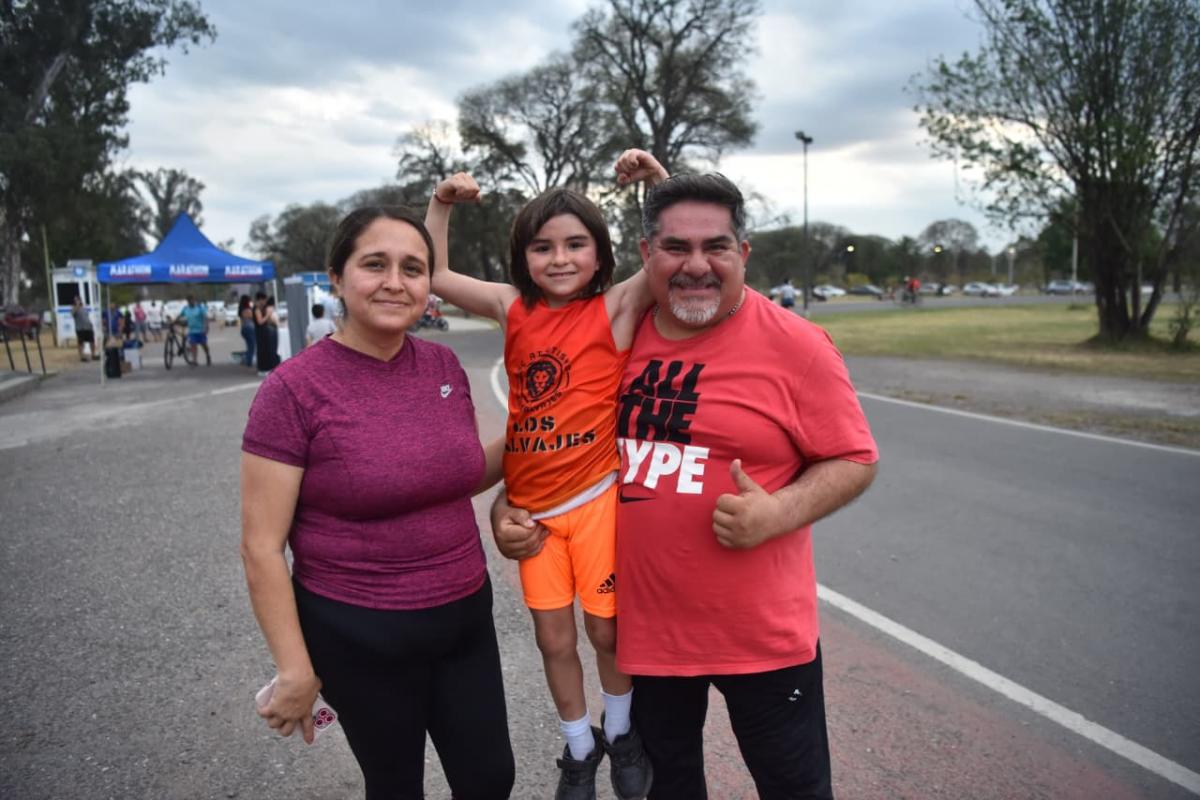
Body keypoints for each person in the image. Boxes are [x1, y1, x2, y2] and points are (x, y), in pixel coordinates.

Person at [494, 173, 879, 799]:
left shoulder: (797, 345)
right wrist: (505, 505)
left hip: (762, 639)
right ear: (647, 256)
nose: (696, 265)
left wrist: (778, 513)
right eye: (675, 248)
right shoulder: (616, 335)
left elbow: (855, 458)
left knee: (796, 789)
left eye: (716, 247)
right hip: (646, 636)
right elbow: (545, 436)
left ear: (743, 254)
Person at [240, 206, 515, 799]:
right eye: (375, 264)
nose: (396, 281)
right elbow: (261, 547)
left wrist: (548, 431)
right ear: (336, 277)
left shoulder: (442, 365)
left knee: (491, 779)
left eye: (413, 268)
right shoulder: (291, 390)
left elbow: (453, 476)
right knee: (395, 787)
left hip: (465, 616)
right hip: (358, 633)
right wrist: (294, 669)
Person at [426, 150, 666, 800]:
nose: (559, 259)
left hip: (597, 502)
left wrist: (656, 180)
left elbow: (669, 254)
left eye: (574, 245)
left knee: (606, 631)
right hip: (532, 516)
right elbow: (438, 272)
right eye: (542, 247)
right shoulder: (512, 307)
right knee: (553, 639)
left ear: (599, 253)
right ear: (522, 256)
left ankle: (621, 733)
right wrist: (442, 202)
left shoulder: (614, 308)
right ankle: (580, 747)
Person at [176, 295, 211, 366]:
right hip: (192, 331)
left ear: (194, 300)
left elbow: (205, 318)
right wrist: (174, 321)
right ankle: (195, 360)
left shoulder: (200, 308)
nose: (190, 302)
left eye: (192, 300)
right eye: (189, 301)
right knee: (193, 345)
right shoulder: (186, 309)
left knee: (204, 345)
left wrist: (206, 327)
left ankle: (207, 355)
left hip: (201, 330)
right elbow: (180, 315)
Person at [254, 295, 280, 375]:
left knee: (266, 350)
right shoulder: (257, 309)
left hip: (264, 332)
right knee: (262, 350)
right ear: (260, 300)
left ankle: (266, 367)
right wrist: (267, 315)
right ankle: (263, 368)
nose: (265, 302)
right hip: (261, 332)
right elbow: (260, 322)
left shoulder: (261, 309)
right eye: (264, 300)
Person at [71, 295, 95, 361]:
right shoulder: (74, 308)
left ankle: (93, 355)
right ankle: (82, 356)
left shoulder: (84, 308)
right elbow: (72, 314)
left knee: (92, 341)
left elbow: (87, 317)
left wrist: (90, 324)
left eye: (78, 299)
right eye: (76, 300)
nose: (77, 301)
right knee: (81, 343)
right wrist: (77, 306)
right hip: (80, 328)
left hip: (88, 327)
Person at [238, 295, 256, 367]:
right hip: (250, 328)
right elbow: (253, 317)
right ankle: (249, 362)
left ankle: (247, 360)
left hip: (244, 328)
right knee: (251, 347)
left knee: (249, 346)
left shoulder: (241, 309)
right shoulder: (247, 310)